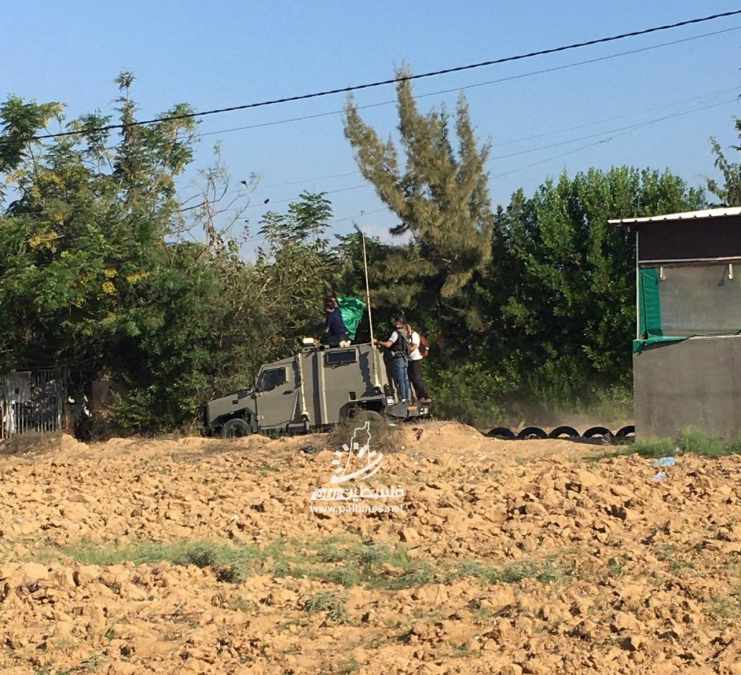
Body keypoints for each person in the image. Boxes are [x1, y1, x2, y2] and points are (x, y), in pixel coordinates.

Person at [374, 315, 411, 402]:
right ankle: (407, 398)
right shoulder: (406, 333)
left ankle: (403, 398)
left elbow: (388, 344)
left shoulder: (396, 333)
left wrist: (378, 342)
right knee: (405, 379)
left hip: (398, 357)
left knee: (400, 379)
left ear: (398, 323)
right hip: (405, 357)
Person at [406, 321, 431, 403]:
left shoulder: (414, 335)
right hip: (410, 359)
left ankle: (425, 395)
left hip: (416, 359)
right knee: (412, 378)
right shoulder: (408, 336)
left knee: (417, 378)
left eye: (407, 327)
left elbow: (414, 347)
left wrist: (406, 351)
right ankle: (420, 397)